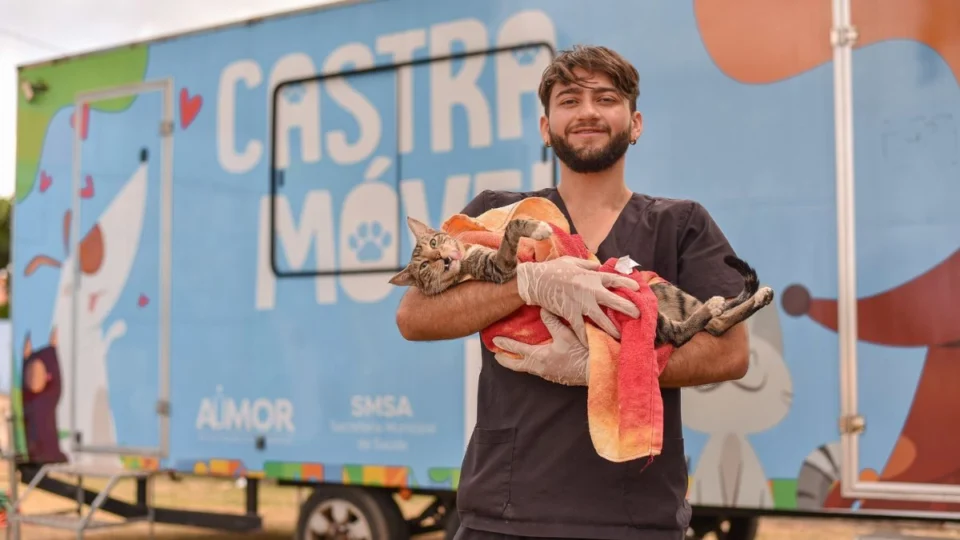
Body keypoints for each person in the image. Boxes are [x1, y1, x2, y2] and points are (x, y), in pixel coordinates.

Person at [394, 44, 750, 540]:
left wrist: (603, 365)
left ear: (635, 123)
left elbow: (731, 353)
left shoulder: (680, 224)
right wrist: (526, 283)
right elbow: (414, 317)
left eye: (605, 99)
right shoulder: (499, 214)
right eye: (568, 101)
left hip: (634, 517)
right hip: (504, 513)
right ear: (546, 128)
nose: (587, 112)